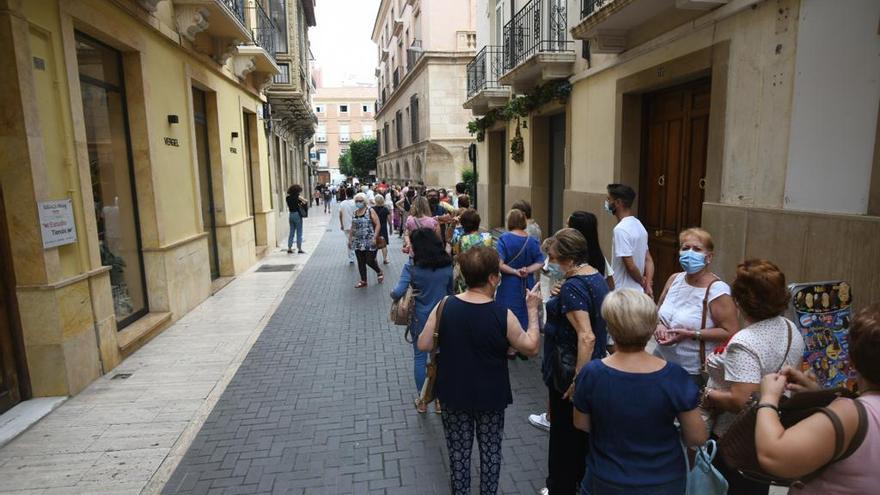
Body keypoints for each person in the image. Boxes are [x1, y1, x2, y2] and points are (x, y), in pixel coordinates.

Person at [417, 246, 543, 495]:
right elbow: (531, 348)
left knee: (459, 455)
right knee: (491, 452)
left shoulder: (445, 305)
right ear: (493, 278)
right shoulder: (502, 314)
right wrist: (531, 311)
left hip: (453, 393)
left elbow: (424, 343)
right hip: (491, 395)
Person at [573, 289, 708, 495]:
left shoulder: (591, 373)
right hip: (664, 480)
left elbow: (581, 424)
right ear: (652, 326)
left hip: (606, 478)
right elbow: (697, 437)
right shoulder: (675, 376)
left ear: (610, 326)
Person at [701, 259, 806, 495]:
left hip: (734, 438)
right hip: (769, 429)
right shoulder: (790, 327)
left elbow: (741, 400)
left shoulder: (745, 341)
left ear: (739, 301)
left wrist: (708, 394)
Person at [755, 304, 880, 494]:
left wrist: (768, 398)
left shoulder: (851, 414)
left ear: (851, 363)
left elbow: (774, 456)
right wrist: (820, 394)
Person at [541, 228, 610, 494]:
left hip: (568, 373)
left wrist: (577, 381)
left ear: (568, 258)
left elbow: (587, 336)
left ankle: (560, 486)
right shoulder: (594, 276)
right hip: (586, 369)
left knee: (563, 436)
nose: (551, 264)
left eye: (554, 258)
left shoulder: (573, 287)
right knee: (580, 436)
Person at [653, 228, 739, 386]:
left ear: (709, 257)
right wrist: (659, 325)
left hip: (690, 371)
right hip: (660, 361)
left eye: (697, 249)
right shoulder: (674, 279)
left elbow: (730, 331)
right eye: (685, 248)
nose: (689, 253)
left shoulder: (717, 290)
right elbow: (657, 312)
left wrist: (691, 334)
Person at [391, 228, 454, 413]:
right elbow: (451, 291)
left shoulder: (412, 267)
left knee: (420, 358)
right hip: (444, 316)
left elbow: (396, 291)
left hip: (420, 318)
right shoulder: (447, 265)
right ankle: (440, 400)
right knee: (441, 358)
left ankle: (423, 400)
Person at [496, 209, 544, 338]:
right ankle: (525, 341)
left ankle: (510, 345)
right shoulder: (532, 240)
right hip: (527, 282)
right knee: (526, 310)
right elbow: (540, 262)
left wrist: (515, 271)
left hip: (508, 283)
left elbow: (499, 264)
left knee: (508, 311)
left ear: (509, 222)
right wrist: (527, 270)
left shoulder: (504, 239)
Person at [605, 184, 654, 297]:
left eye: (609, 199)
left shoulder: (620, 230)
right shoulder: (639, 225)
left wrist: (643, 281)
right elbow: (649, 259)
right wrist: (648, 284)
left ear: (618, 203)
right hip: (638, 292)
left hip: (623, 293)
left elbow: (630, 266)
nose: (607, 203)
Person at [451, 209, 494, 293]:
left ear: (463, 224)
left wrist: (454, 225)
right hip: (483, 274)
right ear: (478, 222)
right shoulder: (487, 237)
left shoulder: (459, 238)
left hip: (465, 276)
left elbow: (450, 243)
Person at [348, 193, 384, 288]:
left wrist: (374, 237)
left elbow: (378, 224)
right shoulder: (355, 212)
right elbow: (352, 227)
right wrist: (350, 239)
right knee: (360, 261)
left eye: (360, 201)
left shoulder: (370, 210)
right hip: (358, 241)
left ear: (365, 202)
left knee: (369, 260)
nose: (358, 202)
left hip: (369, 240)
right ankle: (363, 280)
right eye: (357, 201)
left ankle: (379, 271)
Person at [285, 185, 308, 254]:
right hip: (297, 215)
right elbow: (306, 201)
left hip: (291, 215)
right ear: (297, 191)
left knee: (291, 231)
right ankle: (299, 248)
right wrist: (300, 198)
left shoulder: (287, 198)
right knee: (299, 232)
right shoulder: (297, 198)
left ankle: (289, 248)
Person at [338, 186, 357, 264]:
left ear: (346, 194)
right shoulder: (356, 203)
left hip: (346, 225)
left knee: (348, 241)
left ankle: (351, 258)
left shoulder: (342, 203)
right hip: (355, 225)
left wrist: (341, 224)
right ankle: (358, 255)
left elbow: (340, 215)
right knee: (356, 240)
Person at [374, 195, 391, 265]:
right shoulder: (386, 209)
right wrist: (391, 227)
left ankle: (374, 259)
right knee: (384, 244)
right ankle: (385, 259)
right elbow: (389, 220)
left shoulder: (372, 209)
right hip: (383, 228)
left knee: (375, 244)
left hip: (374, 228)